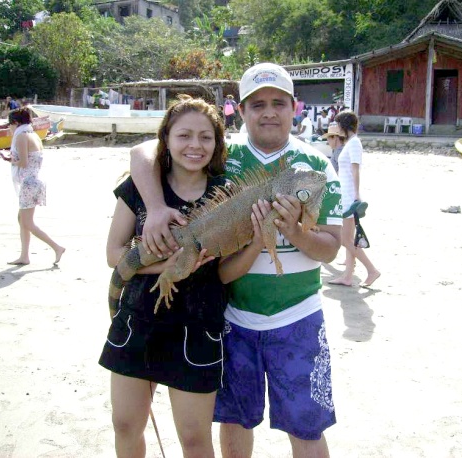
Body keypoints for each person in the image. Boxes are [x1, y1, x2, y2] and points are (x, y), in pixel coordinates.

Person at [130, 62, 343, 458]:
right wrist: (156, 207)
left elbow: (332, 247)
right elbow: (145, 152)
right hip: (231, 319)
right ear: (240, 111)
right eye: (257, 104)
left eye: (279, 103)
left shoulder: (318, 165)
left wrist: (293, 231)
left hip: (298, 316)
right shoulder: (221, 158)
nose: (269, 112)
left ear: (294, 108)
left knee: (307, 427)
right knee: (234, 421)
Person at [99, 96, 229, 458]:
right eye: (184, 135)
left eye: (206, 137)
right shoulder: (139, 188)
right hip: (138, 319)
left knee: (194, 438)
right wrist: (172, 263)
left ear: (217, 144)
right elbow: (113, 255)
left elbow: (223, 266)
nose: (195, 145)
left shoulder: (225, 190)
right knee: (125, 424)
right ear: (166, 140)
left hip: (197, 324)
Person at [0, 108, 65, 266]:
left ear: (16, 123)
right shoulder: (33, 134)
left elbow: (23, 162)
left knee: (27, 222)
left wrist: (8, 159)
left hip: (29, 182)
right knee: (22, 219)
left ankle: (57, 247)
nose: (10, 127)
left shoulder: (22, 136)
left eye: (10, 124)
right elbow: (28, 159)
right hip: (35, 181)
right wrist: (12, 159)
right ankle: (24, 256)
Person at [328, 111, 380, 288]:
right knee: (349, 238)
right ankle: (348, 276)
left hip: (349, 195)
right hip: (346, 194)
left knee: (345, 239)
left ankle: (371, 269)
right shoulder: (350, 143)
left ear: (344, 126)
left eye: (338, 124)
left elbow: (355, 170)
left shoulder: (354, 143)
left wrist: (357, 195)